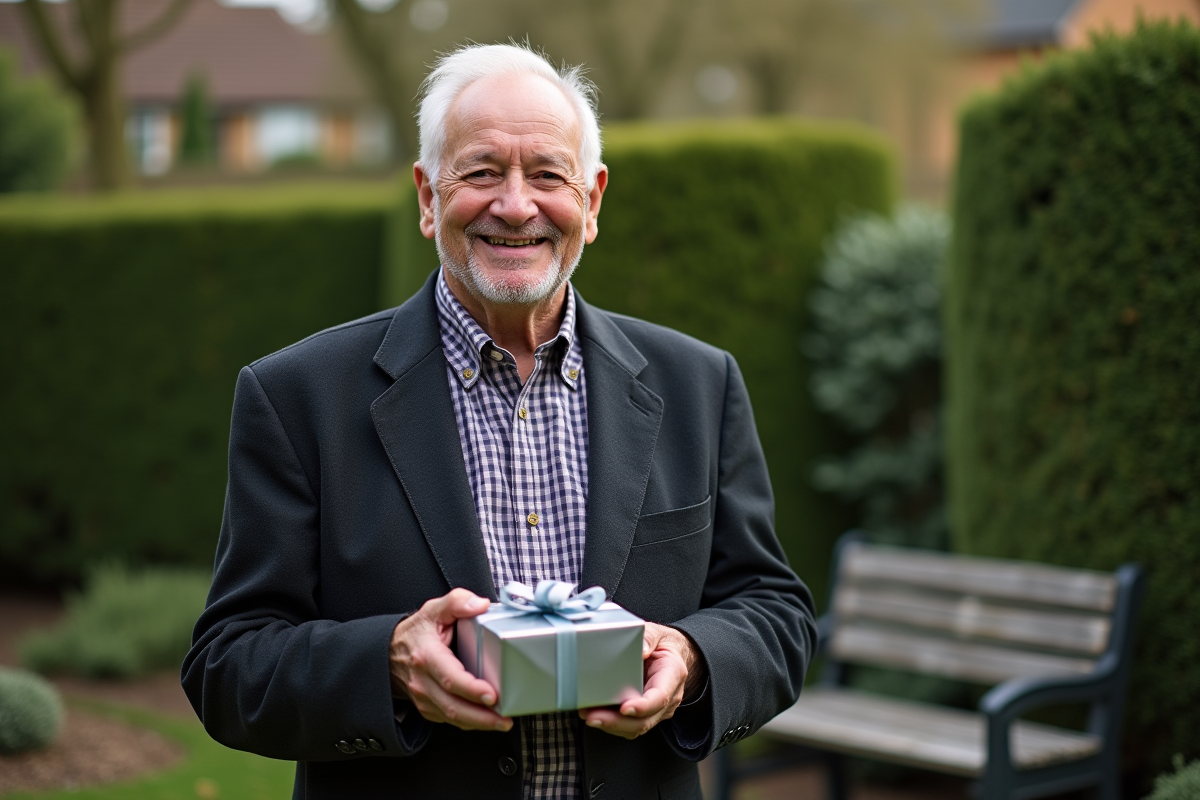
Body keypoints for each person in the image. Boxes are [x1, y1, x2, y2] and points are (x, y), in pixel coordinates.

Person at [182, 43, 816, 800]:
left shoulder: (698, 383)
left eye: (548, 173)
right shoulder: (296, 398)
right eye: (481, 171)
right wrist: (387, 662)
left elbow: (776, 614)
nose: (515, 205)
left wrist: (692, 657)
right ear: (426, 196)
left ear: (593, 200)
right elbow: (228, 665)